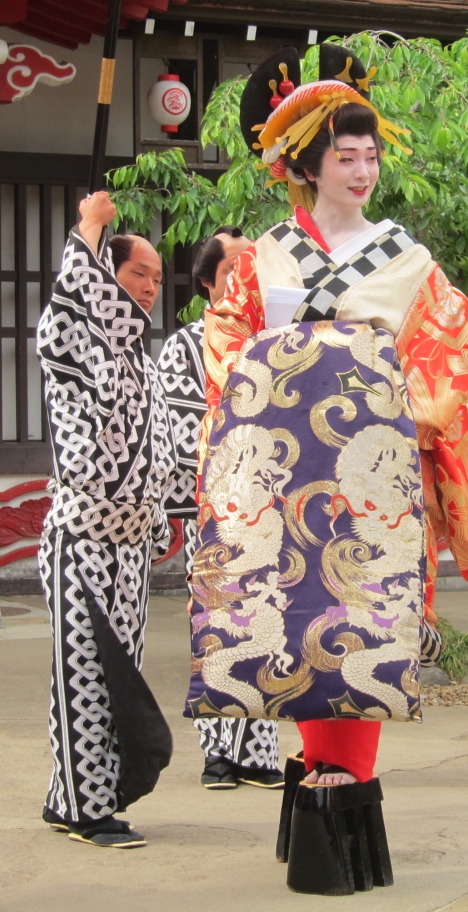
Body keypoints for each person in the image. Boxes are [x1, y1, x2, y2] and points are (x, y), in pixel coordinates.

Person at [189, 45, 468, 892]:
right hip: (278, 485)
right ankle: (321, 794)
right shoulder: (259, 258)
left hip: (373, 487)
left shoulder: (408, 262)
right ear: (305, 164)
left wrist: (383, 396)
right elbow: (224, 360)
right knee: (287, 629)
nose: (364, 169)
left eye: (372, 154)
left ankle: (338, 803)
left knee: (363, 633)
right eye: (346, 156)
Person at [36, 192, 176, 848]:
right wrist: (90, 228)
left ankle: (76, 797)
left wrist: (164, 515)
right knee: (88, 672)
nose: (148, 287)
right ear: (102, 274)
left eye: (154, 276)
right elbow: (73, 297)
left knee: (122, 669)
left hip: (130, 544)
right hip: (81, 538)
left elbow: (163, 449)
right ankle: (89, 811)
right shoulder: (75, 343)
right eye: (135, 273)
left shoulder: (145, 365)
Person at [156, 227, 285, 792]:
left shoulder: (276, 341)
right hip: (219, 506)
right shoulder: (185, 346)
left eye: (250, 268)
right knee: (216, 626)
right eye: (232, 268)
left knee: (270, 625)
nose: (242, 278)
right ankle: (218, 753)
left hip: (274, 507)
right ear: (208, 281)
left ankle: (260, 749)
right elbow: (182, 430)